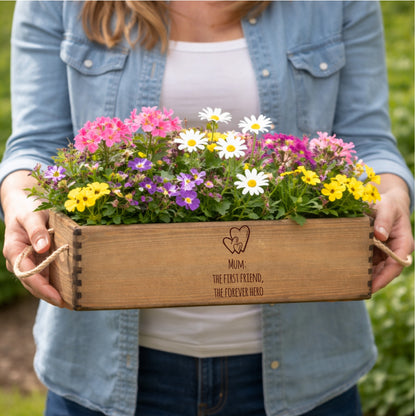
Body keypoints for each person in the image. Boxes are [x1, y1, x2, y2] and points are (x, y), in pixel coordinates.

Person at [0, 1, 414, 415]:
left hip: (307, 368)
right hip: (102, 371)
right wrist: (21, 200)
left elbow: (367, 141)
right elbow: (36, 147)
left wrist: (391, 192)